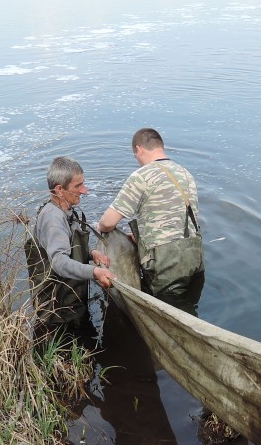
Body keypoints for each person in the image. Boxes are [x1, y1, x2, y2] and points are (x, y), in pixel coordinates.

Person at [97, 128, 204, 302]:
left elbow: (108, 222)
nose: (137, 160)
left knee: (164, 312)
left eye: (135, 155)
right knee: (188, 309)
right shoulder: (185, 174)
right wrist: (141, 238)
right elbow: (175, 220)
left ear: (139, 149)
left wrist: (99, 227)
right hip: (195, 258)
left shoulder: (142, 176)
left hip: (166, 265)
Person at [26, 156, 115, 332]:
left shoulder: (65, 210)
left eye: (83, 184)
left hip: (71, 304)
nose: (84, 190)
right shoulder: (53, 219)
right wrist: (95, 272)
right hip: (58, 315)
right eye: (78, 186)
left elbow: (67, 246)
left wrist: (91, 253)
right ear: (59, 190)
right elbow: (59, 262)